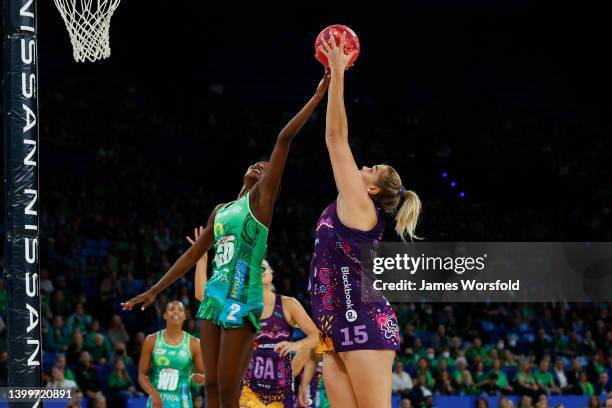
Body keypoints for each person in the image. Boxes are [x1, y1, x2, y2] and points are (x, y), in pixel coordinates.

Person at [123, 71, 331, 408]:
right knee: (212, 385)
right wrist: (155, 289)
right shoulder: (221, 210)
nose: (258, 168)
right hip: (215, 296)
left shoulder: (261, 208)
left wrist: (317, 96)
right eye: (255, 166)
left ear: (271, 185)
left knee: (229, 389)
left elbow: (283, 139)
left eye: (265, 170)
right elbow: (193, 255)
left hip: (242, 297)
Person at [310, 32, 421, 408]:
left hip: (365, 322)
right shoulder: (347, 202)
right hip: (333, 324)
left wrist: (339, 72)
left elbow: (335, 138)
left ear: (372, 190)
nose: (364, 166)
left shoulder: (361, 207)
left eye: (371, 169)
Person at [137, 300, 205, 408]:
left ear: (184, 316)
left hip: (182, 403)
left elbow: (204, 375)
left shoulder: (194, 343)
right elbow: (142, 375)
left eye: (180, 310)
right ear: (164, 315)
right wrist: (154, 394)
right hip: (157, 402)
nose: (176, 312)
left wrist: (202, 379)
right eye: (171, 309)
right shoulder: (151, 340)